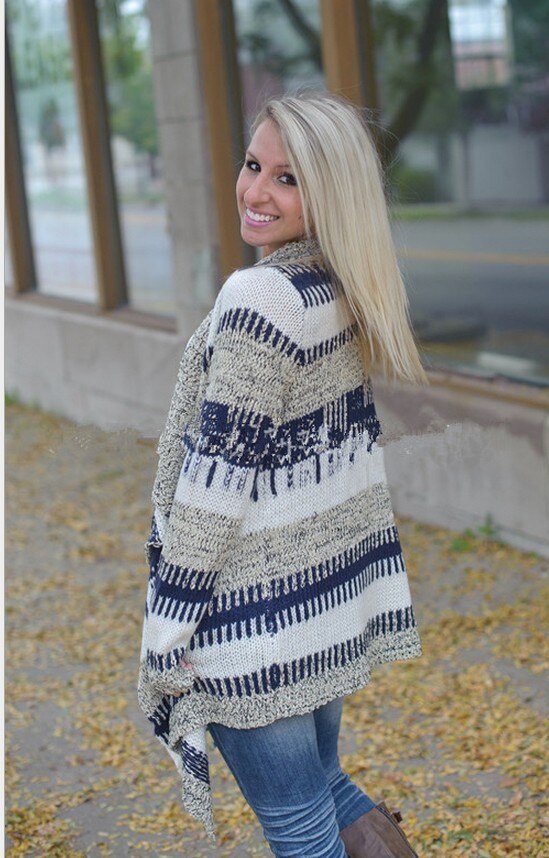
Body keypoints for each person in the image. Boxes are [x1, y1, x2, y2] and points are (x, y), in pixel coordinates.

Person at [137, 91, 428, 857]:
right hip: (316, 610)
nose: (255, 191)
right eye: (252, 165)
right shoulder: (333, 286)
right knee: (325, 789)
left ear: (330, 193)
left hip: (251, 625)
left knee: (300, 829)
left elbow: (217, 479)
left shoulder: (262, 294)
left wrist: (167, 629)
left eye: (287, 178)